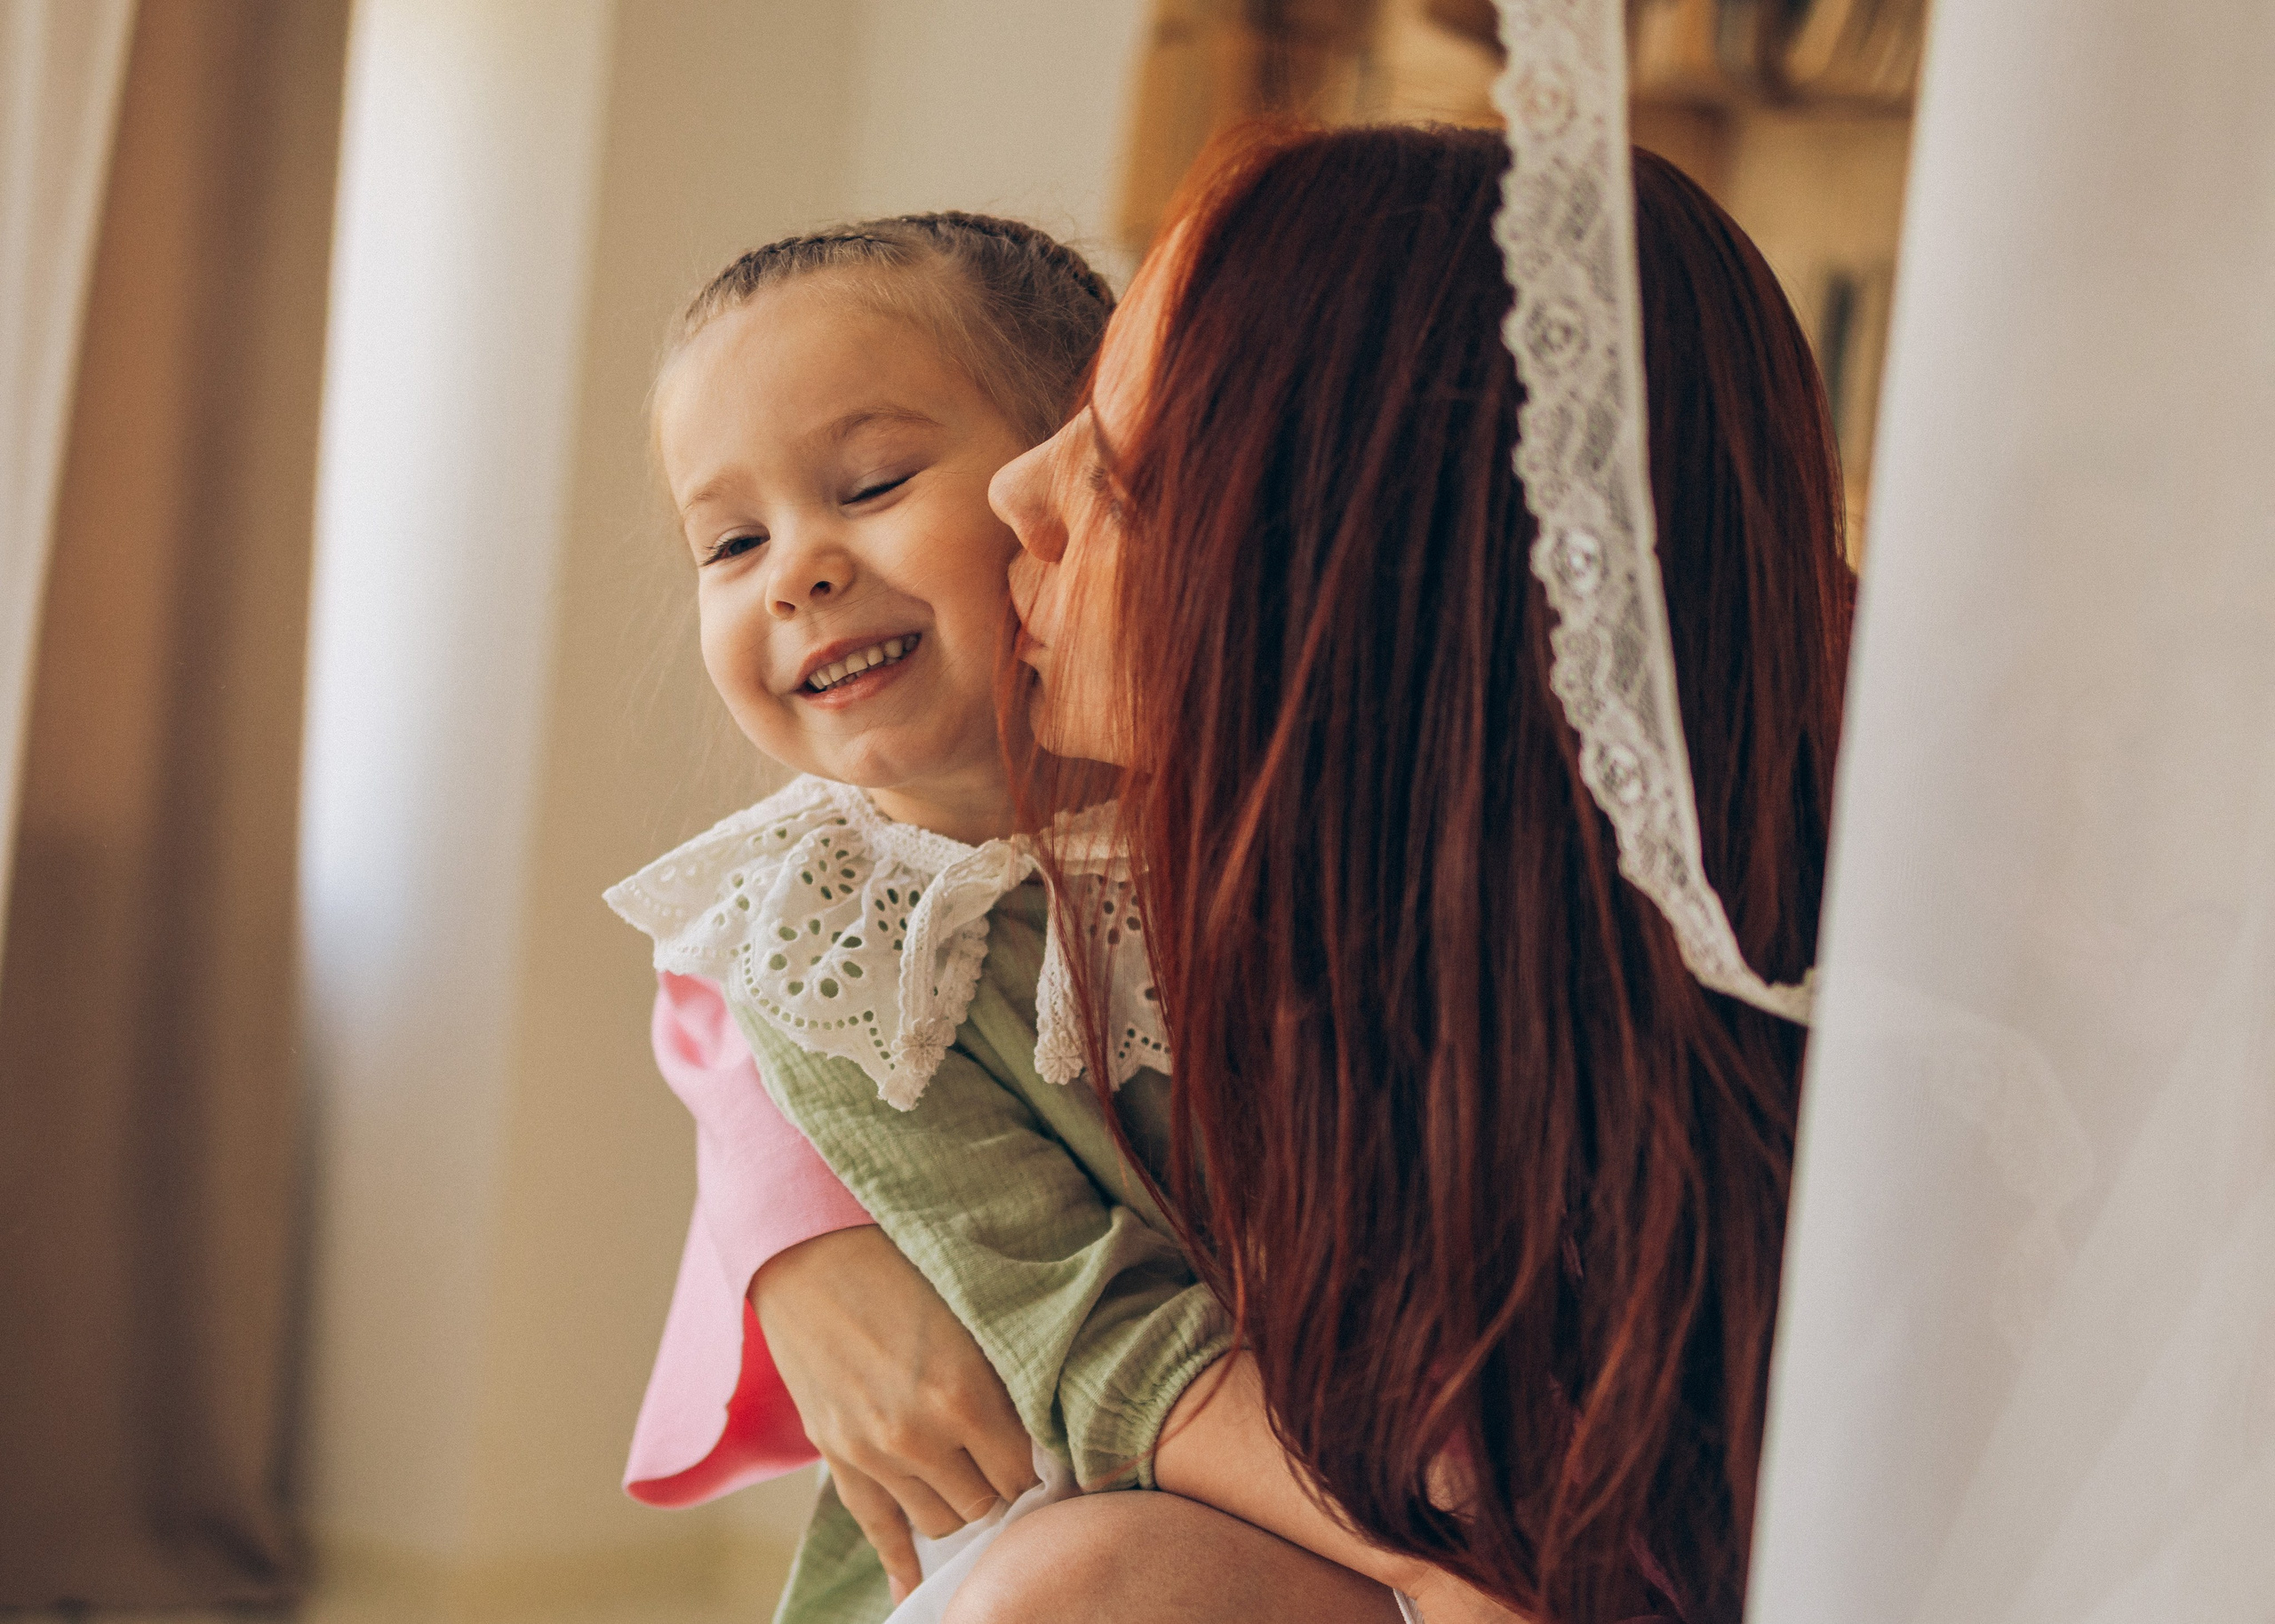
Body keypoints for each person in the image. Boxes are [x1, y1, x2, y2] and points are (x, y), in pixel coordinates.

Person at [973, 123, 1853, 1624]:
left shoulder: (1793, 1143)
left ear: (1350, 563)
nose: (1016, 490)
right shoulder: (1303, 956)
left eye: (1120, 467)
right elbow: (814, 915)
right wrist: (795, 1226)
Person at [605, 211, 1403, 1624]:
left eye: (872, 483)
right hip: (1077, 1509)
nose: (796, 569)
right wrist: (1428, 1547)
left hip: (1417, 1471)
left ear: (1079, 482)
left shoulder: (1309, 811)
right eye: (730, 542)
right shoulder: (826, 944)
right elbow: (1096, 1345)